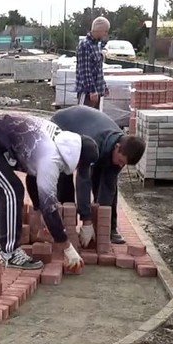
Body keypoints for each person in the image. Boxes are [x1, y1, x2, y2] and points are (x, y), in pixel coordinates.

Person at [0, 112, 92, 271]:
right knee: (11, 191)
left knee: (2, 188)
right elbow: (50, 207)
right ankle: (10, 253)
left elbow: (33, 177)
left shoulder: (58, 141)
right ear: (78, 159)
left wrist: (37, 209)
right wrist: (68, 248)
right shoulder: (51, 158)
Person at [48, 105, 147, 246]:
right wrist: (86, 219)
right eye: (120, 161)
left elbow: (108, 186)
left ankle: (111, 228)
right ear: (117, 148)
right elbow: (83, 180)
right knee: (66, 174)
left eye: (123, 164)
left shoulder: (121, 147)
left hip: (88, 128)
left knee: (106, 179)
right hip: (63, 124)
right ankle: (66, 224)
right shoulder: (94, 142)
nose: (120, 165)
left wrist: (102, 221)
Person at [76, 17, 110, 109]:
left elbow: (98, 69)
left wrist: (104, 87)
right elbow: (85, 71)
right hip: (88, 93)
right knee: (84, 119)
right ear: (99, 29)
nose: (106, 34)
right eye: (105, 31)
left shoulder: (97, 45)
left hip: (97, 92)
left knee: (94, 121)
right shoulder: (85, 45)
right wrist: (92, 90)